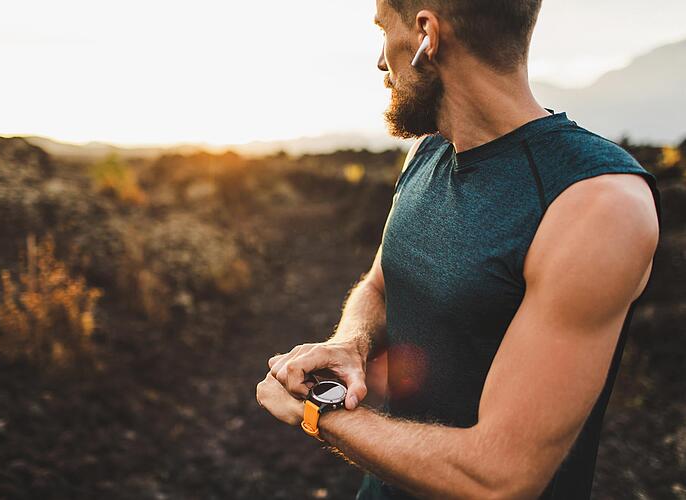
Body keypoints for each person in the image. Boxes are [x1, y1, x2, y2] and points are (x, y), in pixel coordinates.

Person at [256, 0, 662, 498]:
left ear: (427, 35)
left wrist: (319, 414)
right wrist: (351, 344)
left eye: (384, 31)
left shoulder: (596, 202)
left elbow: (501, 476)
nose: (381, 62)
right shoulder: (427, 151)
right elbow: (381, 284)